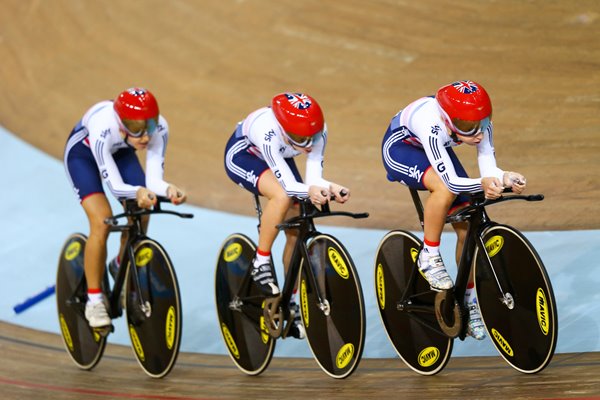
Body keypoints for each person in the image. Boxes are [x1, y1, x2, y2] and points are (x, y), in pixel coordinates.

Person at [381, 80, 526, 340]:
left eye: (483, 124)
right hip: (402, 149)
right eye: (469, 128)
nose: (479, 134)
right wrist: (482, 183)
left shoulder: (478, 121)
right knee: (445, 190)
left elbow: (488, 165)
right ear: (448, 121)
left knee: (469, 224)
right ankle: (429, 254)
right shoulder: (432, 124)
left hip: (438, 151)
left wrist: (504, 177)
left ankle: (468, 301)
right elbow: (450, 182)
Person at [224, 92, 350, 339]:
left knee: (298, 226)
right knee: (282, 196)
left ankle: (289, 300)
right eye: (299, 138)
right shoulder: (267, 131)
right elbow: (290, 186)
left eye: (310, 137)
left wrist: (330, 187)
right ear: (283, 129)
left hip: (281, 156)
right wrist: (311, 190)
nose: (307, 144)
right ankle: (261, 261)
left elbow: (313, 178)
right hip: (245, 156)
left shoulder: (317, 131)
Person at [63, 87, 186, 329]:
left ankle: (120, 263)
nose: (146, 137)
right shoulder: (103, 128)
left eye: (149, 127)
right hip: (83, 157)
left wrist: (168, 189)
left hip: (120, 152)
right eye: (137, 130)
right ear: (121, 126)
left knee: (143, 209)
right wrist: (139, 191)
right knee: (102, 221)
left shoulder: (158, 127)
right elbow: (117, 188)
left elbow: (153, 182)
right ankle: (94, 300)